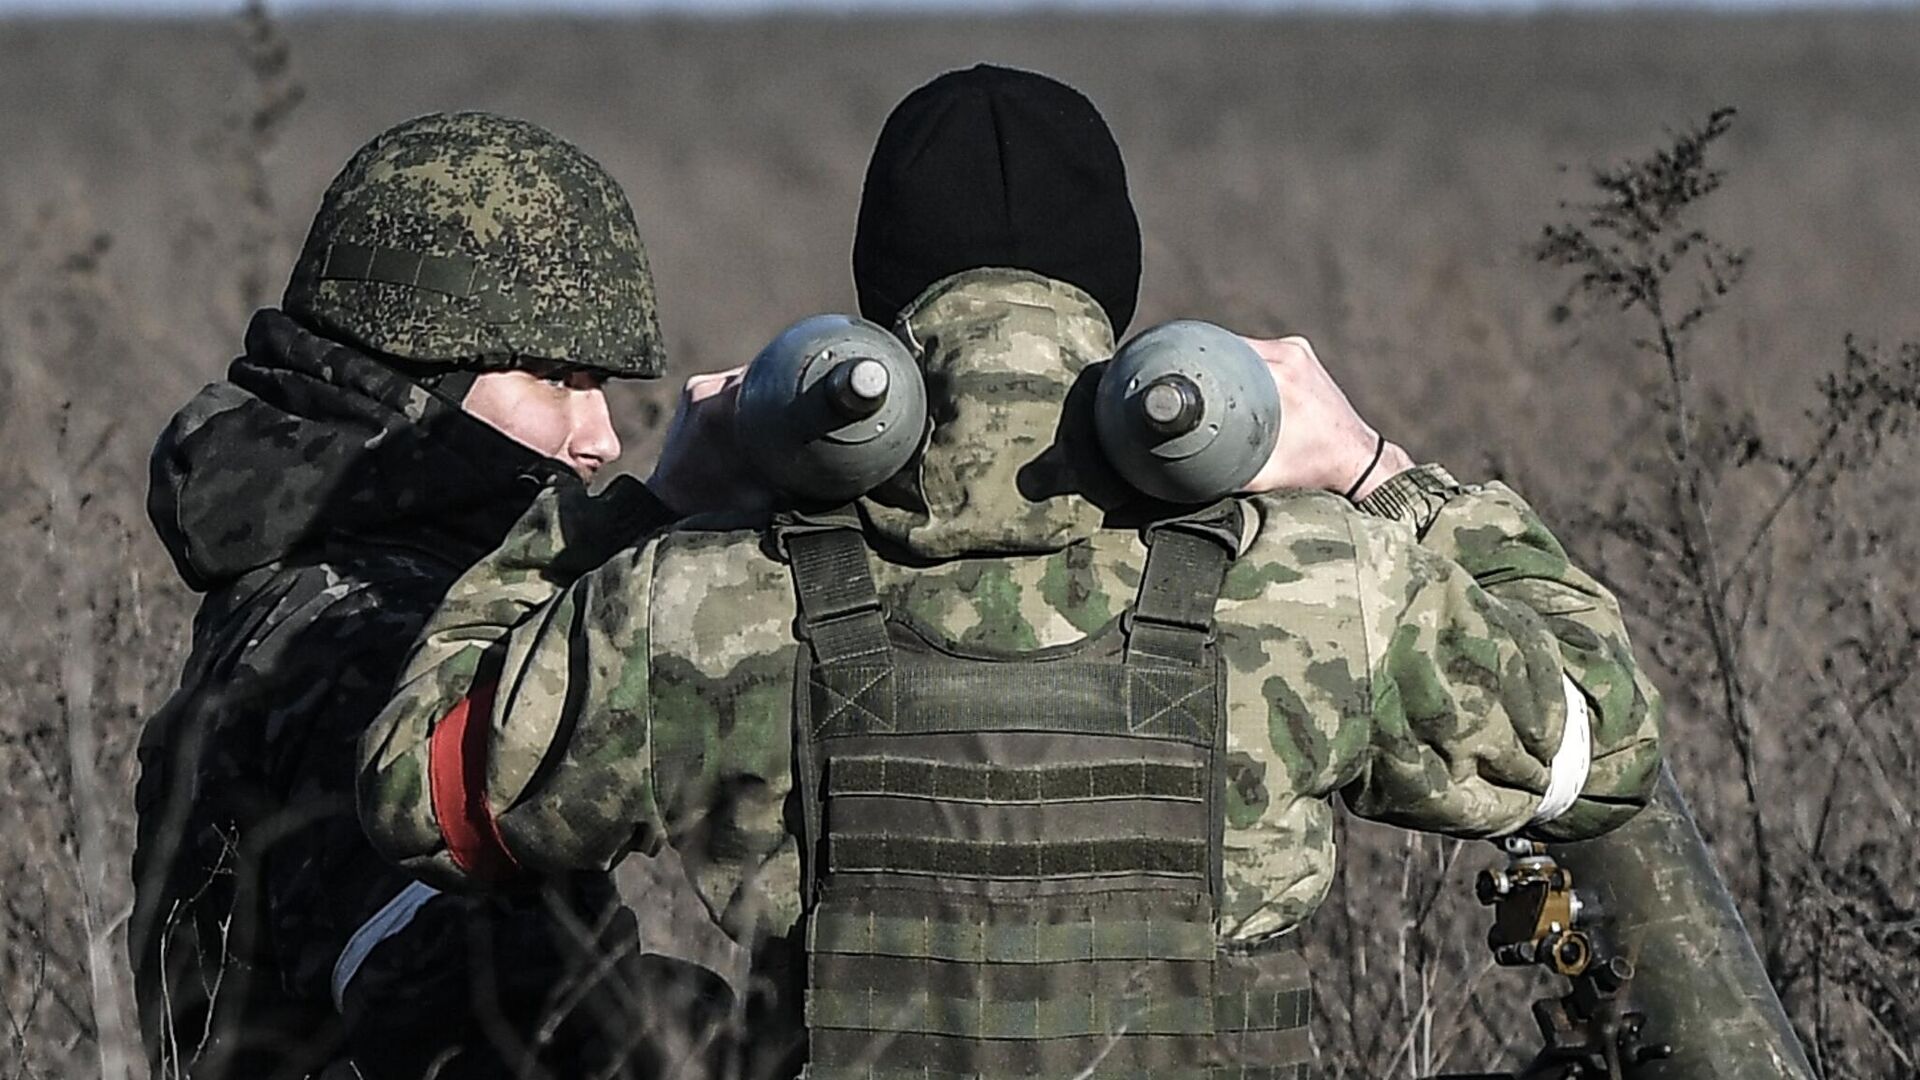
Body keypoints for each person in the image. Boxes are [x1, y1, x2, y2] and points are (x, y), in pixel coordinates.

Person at [359, 66, 1664, 1080]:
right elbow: (1598, 742)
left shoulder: (707, 601)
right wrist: (1378, 470)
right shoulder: (1323, 593)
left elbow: (426, 793)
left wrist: (640, 512)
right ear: (1119, 308)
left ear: (876, 319)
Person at [131, 111, 721, 1080]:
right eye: (556, 378)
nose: (600, 436)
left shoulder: (320, 589)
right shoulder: (373, 647)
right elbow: (492, 1019)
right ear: (419, 374)